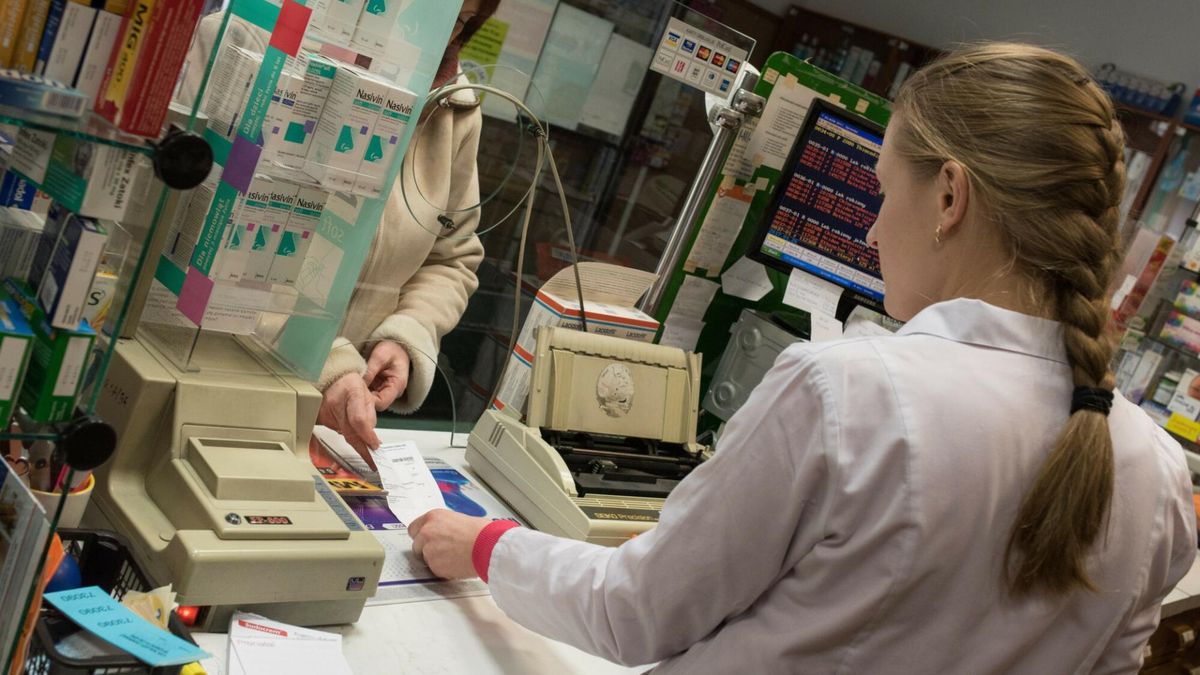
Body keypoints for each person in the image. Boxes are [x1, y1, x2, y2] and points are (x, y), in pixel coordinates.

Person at [409, 43, 1198, 673]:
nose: (870, 231)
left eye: (885, 193)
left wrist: (482, 543)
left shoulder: (851, 389)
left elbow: (633, 613)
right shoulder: (1158, 472)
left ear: (950, 198)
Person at [179, 1, 499, 459]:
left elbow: (451, 256)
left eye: (460, 21)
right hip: (209, 370)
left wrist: (407, 334)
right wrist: (324, 361)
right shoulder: (252, 37)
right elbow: (199, 225)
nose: (439, 33)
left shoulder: (454, 108)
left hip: (341, 417)